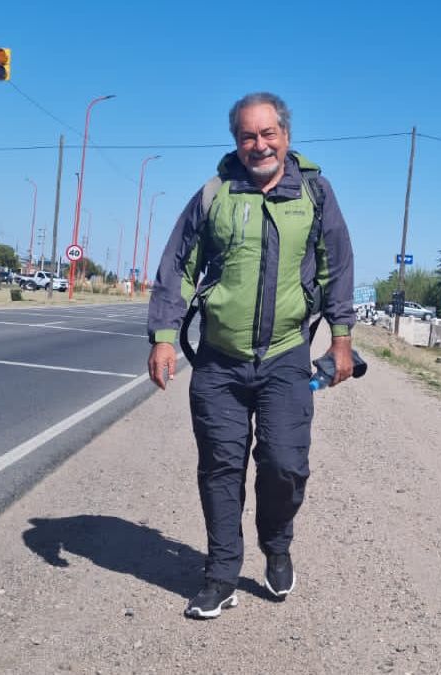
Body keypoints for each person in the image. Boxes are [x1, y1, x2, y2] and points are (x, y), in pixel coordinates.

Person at [145, 92, 355, 619]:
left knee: (284, 465)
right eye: (247, 136)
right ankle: (220, 575)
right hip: (218, 359)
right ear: (236, 141)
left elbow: (335, 267)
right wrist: (164, 337)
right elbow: (179, 265)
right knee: (220, 468)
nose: (258, 144)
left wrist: (343, 338)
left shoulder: (315, 193)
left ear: (285, 135)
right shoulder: (215, 194)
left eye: (267, 134)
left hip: (286, 355)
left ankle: (277, 543)